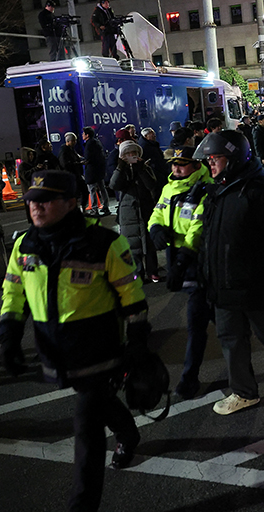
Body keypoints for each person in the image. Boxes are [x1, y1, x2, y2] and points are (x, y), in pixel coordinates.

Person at [0, 170, 149, 511]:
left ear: (70, 203)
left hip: (99, 352)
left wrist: (138, 342)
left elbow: (132, 297)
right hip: (55, 351)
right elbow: (13, 292)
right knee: (95, 401)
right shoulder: (24, 244)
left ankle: (82, 505)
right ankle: (128, 433)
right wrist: (8, 336)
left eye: (46, 200)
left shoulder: (105, 243)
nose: (36, 207)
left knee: (87, 431)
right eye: (32, 201)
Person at [195, 131, 264, 415]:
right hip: (223, 283)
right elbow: (208, 238)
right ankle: (244, 393)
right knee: (230, 338)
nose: (211, 164)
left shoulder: (259, 190)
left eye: (216, 158)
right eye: (209, 159)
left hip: (254, 280)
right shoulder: (216, 191)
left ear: (233, 158)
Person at [148, 146, 214, 399]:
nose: (176, 168)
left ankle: (189, 379)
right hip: (180, 261)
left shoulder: (205, 189)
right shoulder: (169, 188)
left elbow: (197, 229)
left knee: (196, 325)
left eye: (182, 164)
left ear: (196, 166)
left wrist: (181, 261)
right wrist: (155, 229)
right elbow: (157, 212)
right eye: (174, 163)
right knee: (222, 324)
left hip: (198, 264)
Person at [109, 140, 160, 281]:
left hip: (146, 208)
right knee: (131, 244)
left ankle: (152, 271)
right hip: (128, 212)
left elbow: (152, 185)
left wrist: (141, 169)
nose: (131, 155)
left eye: (134, 153)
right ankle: (137, 273)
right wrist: (120, 168)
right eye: (127, 153)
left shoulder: (144, 167)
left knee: (149, 243)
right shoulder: (121, 169)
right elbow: (113, 185)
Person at [81, 127, 110, 216]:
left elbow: (88, 158)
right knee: (102, 188)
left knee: (92, 190)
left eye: (83, 133)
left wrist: (83, 161)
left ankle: (94, 209)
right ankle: (106, 207)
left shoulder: (89, 144)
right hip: (99, 170)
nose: (82, 135)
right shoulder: (97, 142)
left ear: (87, 135)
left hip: (92, 171)